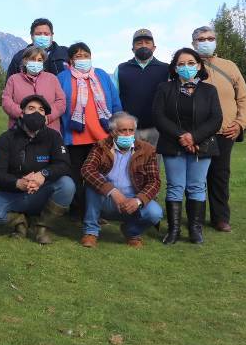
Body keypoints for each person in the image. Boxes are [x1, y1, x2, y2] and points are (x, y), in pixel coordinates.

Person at [0, 95, 75, 244]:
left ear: (45, 116)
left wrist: (43, 175)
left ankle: (42, 227)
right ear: (22, 113)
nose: (36, 113)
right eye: (31, 108)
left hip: (42, 192)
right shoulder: (6, 138)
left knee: (67, 184)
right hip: (13, 194)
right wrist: (18, 183)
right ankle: (20, 221)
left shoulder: (54, 137)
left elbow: (64, 164)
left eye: (41, 110)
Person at [153, 48, 222, 245]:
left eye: (191, 63)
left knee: (197, 186)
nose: (186, 67)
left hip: (203, 146)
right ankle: (173, 230)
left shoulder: (210, 91)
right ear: (174, 68)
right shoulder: (164, 89)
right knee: (175, 186)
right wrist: (182, 136)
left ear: (199, 65)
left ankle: (195, 230)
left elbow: (216, 119)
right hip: (172, 144)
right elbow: (159, 116)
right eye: (181, 64)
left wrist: (194, 137)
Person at [192, 25, 246, 232]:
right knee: (196, 177)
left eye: (210, 38)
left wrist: (240, 123)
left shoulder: (229, 66)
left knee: (220, 175)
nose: (206, 42)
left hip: (225, 131)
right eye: (201, 39)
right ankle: (195, 217)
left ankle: (220, 218)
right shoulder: (188, 65)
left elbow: (244, 97)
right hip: (198, 132)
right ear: (193, 43)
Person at [79, 112, 164, 248]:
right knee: (93, 183)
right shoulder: (101, 147)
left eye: (131, 130)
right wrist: (112, 190)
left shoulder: (147, 150)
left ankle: (132, 232)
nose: (128, 134)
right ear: (113, 132)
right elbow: (87, 170)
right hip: (106, 199)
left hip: (133, 200)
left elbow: (155, 181)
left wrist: (138, 200)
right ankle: (91, 232)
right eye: (123, 130)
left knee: (156, 213)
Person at [57, 42, 121, 218]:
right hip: (74, 138)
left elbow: (115, 102)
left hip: (101, 136)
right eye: (78, 56)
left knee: (98, 176)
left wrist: (118, 127)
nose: (83, 59)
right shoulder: (62, 77)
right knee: (76, 176)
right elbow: (58, 105)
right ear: (71, 60)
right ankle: (78, 211)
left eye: (86, 55)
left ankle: (96, 213)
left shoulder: (101, 75)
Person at [114, 29, 169, 147]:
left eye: (147, 42)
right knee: (129, 163)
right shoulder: (121, 69)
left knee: (153, 164)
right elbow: (115, 98)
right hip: (129, 130)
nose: (143, 45)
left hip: (157, 129)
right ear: (133, 48)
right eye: (139, 43)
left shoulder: (166, 69)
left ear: (154, 47)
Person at [2, 46, 66, 133]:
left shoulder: (52, 79)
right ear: (25, 61)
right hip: (20, 130)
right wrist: (24, 115)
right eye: (32, 59)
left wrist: (47, 117)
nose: (36, 62)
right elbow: (6, 101)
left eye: (39, 60)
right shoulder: (13, 79)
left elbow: (61, 102)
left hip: (49, 131)